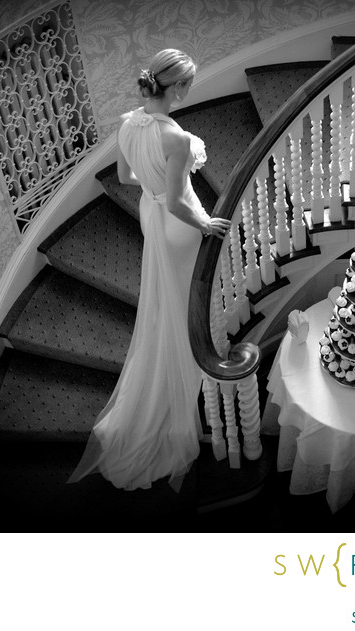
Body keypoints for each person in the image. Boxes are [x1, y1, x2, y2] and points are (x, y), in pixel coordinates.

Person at [69, 49, 230, 492]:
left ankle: (174, 340)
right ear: (177, 88)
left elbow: (124, 174)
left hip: (149, 214)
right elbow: (181, 202)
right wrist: (204, 222)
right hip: (179, 225)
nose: (186, 94)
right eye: (187, 87)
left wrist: (156, 183)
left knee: (167, 292)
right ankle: (187, 351)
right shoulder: (174, 138)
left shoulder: (129, 122)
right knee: (187, 291)